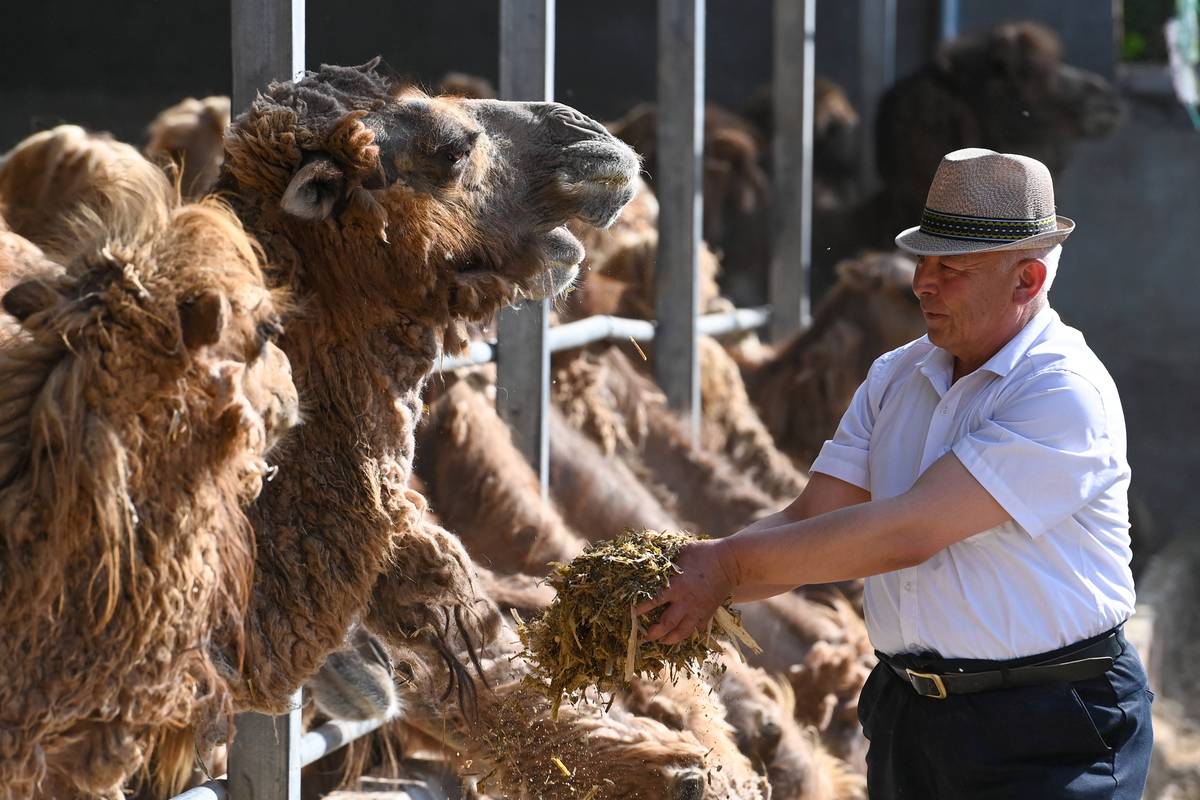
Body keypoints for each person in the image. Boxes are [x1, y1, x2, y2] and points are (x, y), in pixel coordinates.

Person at [638, 148, 1153, 799]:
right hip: (912, 716)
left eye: (951, 268)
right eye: (923, 260)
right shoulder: (896, 377)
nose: (922, 283)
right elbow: (810, 520)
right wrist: (678, 598)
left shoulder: (1061, 391)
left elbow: (908, 531)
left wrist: (724, 568)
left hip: (1048, 726)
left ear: (1026, 281)